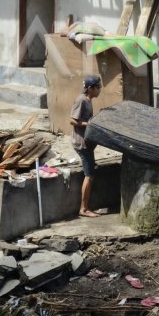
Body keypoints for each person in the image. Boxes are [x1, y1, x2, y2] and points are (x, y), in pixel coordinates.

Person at [71, 74, 102, 218]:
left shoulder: (88, 100)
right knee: (89, 175)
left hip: (87, 143)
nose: (100, 90)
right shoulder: (81, 100)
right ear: (90, 88)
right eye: (98, 87)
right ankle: (83, 209)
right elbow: (72, 120)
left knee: (91, 174)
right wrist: (89, 124)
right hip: (81, 144)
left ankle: (85, 206)